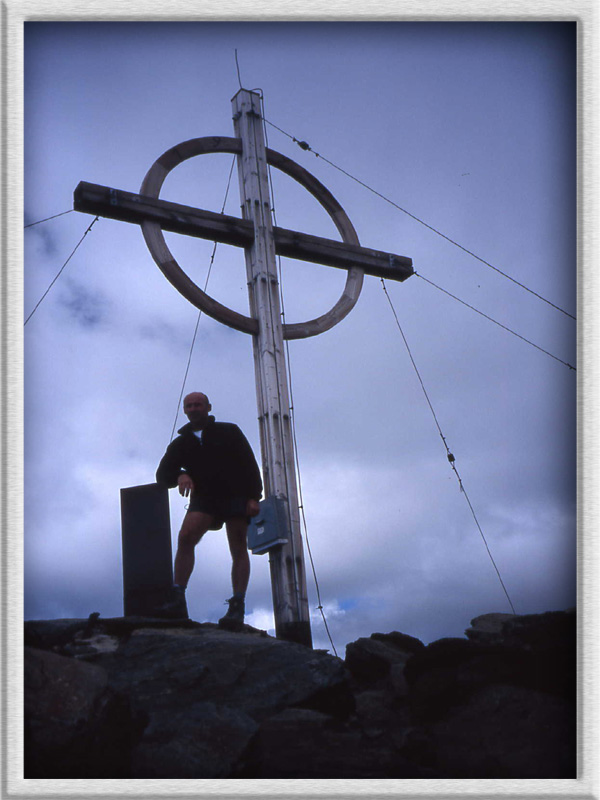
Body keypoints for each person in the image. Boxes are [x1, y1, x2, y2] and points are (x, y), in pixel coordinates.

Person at [155, 391, 262, 629]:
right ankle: (177, 599)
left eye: (198, 405)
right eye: (189, 405)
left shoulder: (229, 431)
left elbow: (249, 463)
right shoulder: (180, 443)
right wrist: (181, 473)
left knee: (237, 546)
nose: (194, 409)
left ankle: (237, 605)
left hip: (236, 494)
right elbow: (162, 476)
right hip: (205, 498)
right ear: (185, 410)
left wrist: (254, 497)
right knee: (185, 537)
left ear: (208, 407)